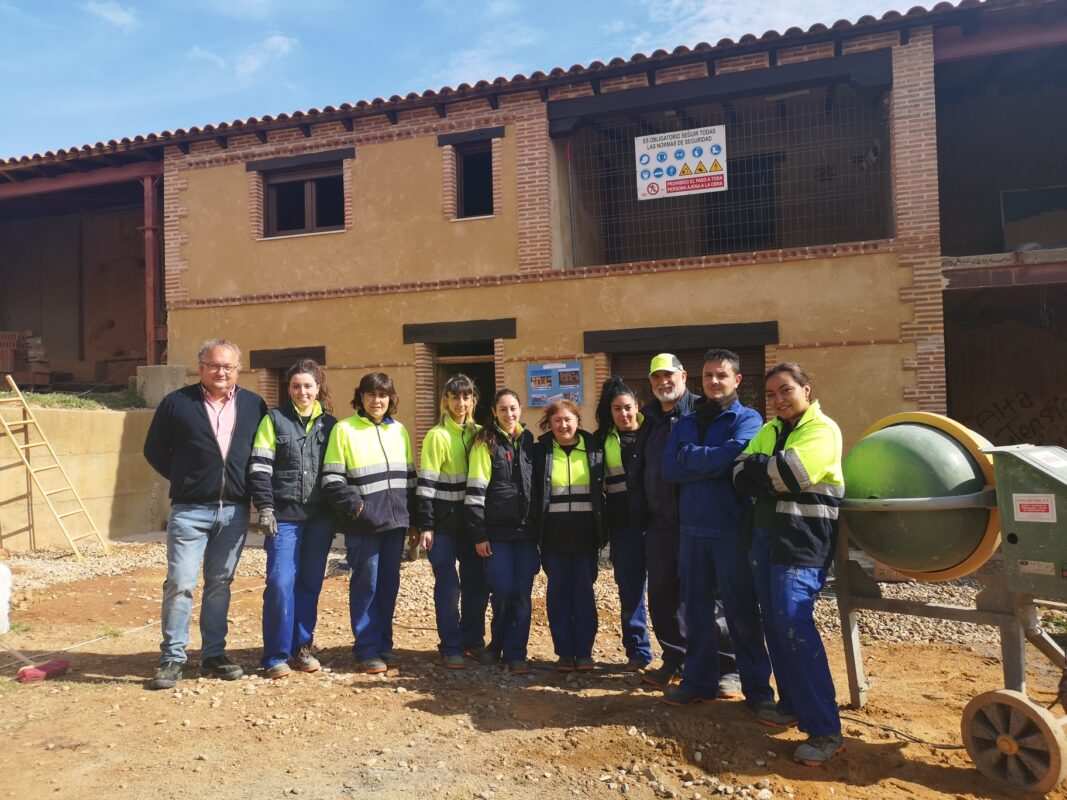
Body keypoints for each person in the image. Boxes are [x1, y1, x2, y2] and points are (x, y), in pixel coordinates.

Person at [733, 362, 845, 766]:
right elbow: (738, 473)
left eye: (786, 390)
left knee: (793, 626)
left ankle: (825, 729)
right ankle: (792, 705)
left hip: (802, 542)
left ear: (806, 390)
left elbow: (793, 474)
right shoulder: (770, 430)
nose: (779, 399)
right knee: (776, 625)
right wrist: (766, 471)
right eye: (772, 394)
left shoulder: (823, 430)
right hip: (767, 540)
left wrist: (762, 470)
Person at [143, 338, 267, 690]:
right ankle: (172, 658)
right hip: (189, 511)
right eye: (214, 365)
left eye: (228, 366)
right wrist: (186, 479)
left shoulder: (254, 405)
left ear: (238, 370)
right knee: (181, 583)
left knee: (219, 585)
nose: (220, 372)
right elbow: (154, 450)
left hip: (234, 512)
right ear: (201, 368)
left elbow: (261, 452)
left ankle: (214, 654)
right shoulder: (177, 403)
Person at [661, 349, 772, 708]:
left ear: (736, 379)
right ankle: (698, 682)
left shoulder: (749, 419)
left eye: (721, 375)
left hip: (731, 530)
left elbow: (736, 456)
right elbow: (670, 469)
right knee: (695, 612)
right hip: (692, 531)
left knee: (741, 612)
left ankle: (757, 691)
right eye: (708, 375)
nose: (713, 381)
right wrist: (712, 461)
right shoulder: (686, 422)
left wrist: (691, 457)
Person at [632, 353, 739, 694]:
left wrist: (688, 464)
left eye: (669, 375)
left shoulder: (699, 413)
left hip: (697, 521)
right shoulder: (650, 418)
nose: (663, 382)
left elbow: (715, 461)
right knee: (662, 594)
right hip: (659, 523)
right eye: (656, 377)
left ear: (683, 375)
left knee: (709, 597)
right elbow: (653, 467)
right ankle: (676, 658)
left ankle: (727, 666)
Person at [248, 359, 338, 679]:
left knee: (309, 584)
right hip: (284, 517)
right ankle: (275, 655)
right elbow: (260, 467)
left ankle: (302, 648)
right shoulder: (273, 420)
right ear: (289, 389)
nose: (302, 392)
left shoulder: (331, 425)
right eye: (296, 386)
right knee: (280, 582)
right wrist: (265, 507)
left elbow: (337, 471)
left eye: (308, 386)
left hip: (319, 519)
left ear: (318, 388)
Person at [321, 372, 415, 675]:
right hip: (363, 525)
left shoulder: (399, 431)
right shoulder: (344, 430)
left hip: (395, 523)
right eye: (371, 394)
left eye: (383, 395)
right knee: (367, 585)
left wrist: (413, 519)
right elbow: (332, 479)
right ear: (360, 397)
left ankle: (384, 644)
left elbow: (410, 478)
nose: (377, 400)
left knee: (388, 585)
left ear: (391, 399)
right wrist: (357, 507)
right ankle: (366, 648)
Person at [414, 374, 487, 669]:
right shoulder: (437, 436)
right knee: (448, 586)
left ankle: (473, 641)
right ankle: (451, 645)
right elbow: (426, 486)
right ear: (446, 400)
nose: (461, 403)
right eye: (455, 397)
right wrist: (426, 525)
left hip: (471, 526)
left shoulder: (480, 434)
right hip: (443, 526)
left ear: (474, 400)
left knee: (476, 585)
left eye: (466, 397)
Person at [466, 389, 538, 673]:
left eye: (513, 408)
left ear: (520, 409)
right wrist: (479, 534)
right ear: (494, 413)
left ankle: (516, 653)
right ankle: (497, 645)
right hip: (496, 534)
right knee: (502, 590)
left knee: (522, 593)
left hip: (526, 533)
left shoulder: (529, 441)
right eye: (503, 409)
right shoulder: (485, 442)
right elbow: (475, 492)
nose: (509, 414)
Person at [535, 399, 606, 672]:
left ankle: (584, 652)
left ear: (577, 420)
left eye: (568, 419)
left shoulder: (593, 448)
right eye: (557, 420)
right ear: (549, 424)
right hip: (553, 538)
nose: (563, 425)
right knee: (558, 595)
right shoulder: (541, 451)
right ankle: (564, 653)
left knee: (584, 594)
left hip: (585, 536)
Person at [594, 377, 652, 670]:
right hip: (624, 527)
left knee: (667, 592)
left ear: (637, 406)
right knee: (630, 591)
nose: (624, 414)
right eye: (617, 409)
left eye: (628, 407)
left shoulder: (654, 433)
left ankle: (677, 655)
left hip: (657, 525)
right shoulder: (603, 441)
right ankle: (638, 651)